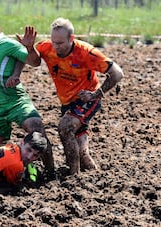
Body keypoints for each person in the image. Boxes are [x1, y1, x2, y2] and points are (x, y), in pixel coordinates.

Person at [17, 18, 124, 175]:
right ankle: (95, 176)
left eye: (60, 43)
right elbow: (35, 62)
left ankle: (74, 176)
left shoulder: (86, 52)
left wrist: (96, 95)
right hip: (67, 102)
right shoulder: (47, 47)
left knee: (65, 127)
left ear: (71, 39)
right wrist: (29, 48)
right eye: (54, 41)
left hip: (86, 99)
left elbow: (117, 73)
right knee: (81, 153)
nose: (56, 46)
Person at [0, 8, 54, 174]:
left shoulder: (8, 44)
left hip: (16, 101)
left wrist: (29, 48)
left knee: (37, 129)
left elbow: (34, 62)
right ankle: (15, 169)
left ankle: (50, 172)